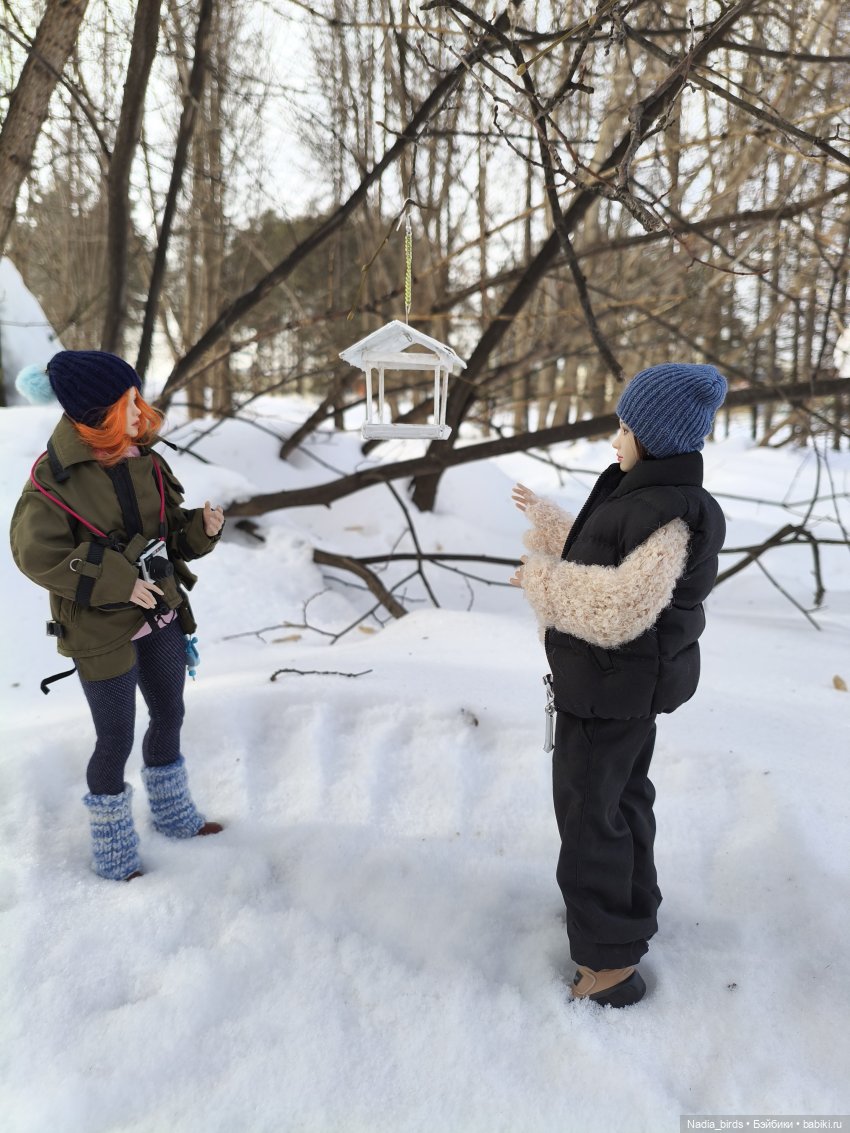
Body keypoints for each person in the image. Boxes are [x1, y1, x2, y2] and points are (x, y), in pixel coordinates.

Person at [510, 362, 727, 1007]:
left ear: (655, 437)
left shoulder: (668, 514)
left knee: (590, 815)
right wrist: (551, 526)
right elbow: (599, 553)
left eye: (626, 427)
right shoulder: (642, 495)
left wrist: (540, 582)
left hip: (610, 691)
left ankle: (606, 963)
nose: (615, 439)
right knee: (619, 802)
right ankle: (621, 916)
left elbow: (621, 606)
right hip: (610, 688)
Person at [10, 350, 225, 882]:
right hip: (99, 629)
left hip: (161, 615)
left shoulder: (145, 458)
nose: (139, 413)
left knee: (169, 712)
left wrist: (201, 529)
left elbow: (169, 534)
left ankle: (173, 815)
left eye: (136, 400)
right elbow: (35, 554)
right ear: (94, 413)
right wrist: (118, 581)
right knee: (115, 738)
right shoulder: (53, 478)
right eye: (126, 404)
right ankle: (112, 843)